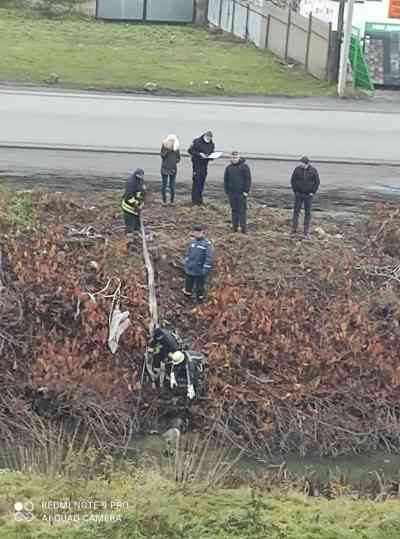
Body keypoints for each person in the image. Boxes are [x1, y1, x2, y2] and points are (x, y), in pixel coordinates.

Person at [291, 156, 320, 238]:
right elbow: (293, 180)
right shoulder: (297, 169)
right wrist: (295, 191)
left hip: (308, 195)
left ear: (306, 163)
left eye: (302, 163)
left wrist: (312, 192)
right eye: (300, 162)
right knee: (296, 211)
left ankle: (306, 231)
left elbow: (317, 182)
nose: (300, 164)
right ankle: (294, 229)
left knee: (308, 213)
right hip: (299, 194)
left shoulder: (313, 170)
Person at [183, 225, 213, 302]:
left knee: (199, 286)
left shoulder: (206, 244)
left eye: (198, 232)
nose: (197, 234)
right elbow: (188, 253)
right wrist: (186, 262)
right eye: (195, 232)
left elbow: (209, 257)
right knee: (188, 284)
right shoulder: (193, 242)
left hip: (199, 270)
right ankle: (187, 298)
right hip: (190, 268)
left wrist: (205, 269)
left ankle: (199, 300)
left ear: (203, 232)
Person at [224, 151, 252, 234]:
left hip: (241, 193)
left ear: (239, 158)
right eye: (232, 157)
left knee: (242, 211)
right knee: (234, 210)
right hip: (232, 193)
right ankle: (235, 227)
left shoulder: (244, 167)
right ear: (230, 158)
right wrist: (227, 191)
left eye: (235, 157)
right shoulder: (228, 168)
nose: (234, 159)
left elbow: (248, 179)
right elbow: (226, 180)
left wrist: (246, 191)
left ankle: (243, 228)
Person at [188, 130, 215, 206]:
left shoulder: (211, 144)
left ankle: (199, 200)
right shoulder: (197, 141)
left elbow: (211, 152)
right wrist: (200, 154)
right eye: (208, 138)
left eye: (210, 138)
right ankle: (194, 201)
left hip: (204, 165)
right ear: (205, 136)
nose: (209, 139)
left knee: (202, 183)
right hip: (197, 164)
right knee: (196, 182)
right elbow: (190, 151)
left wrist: (211, 157)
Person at [121, 169, 145, 248]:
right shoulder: (130, 183)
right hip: (128, 207)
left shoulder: (141, 181)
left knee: (137, 225)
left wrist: (142, 203)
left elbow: (142, 193)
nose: (140, 178)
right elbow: (129, 197)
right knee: (129, 225)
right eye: (138, 177)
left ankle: (137, 240)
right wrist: (136, 205)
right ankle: (129, 244)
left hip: (136, 208)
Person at [160, 134, 181, 205]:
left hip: (173, 169)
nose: (171, 142)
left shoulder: (176, 149)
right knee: (164, 185)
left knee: (172, 186)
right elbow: (162, 156)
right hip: (164, 168)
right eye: (170, 140)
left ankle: (172, 201)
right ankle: (164, 201)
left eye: (173, 140)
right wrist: (168, 150)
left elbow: (178, 159)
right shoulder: (164, 147)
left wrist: (175, 161)